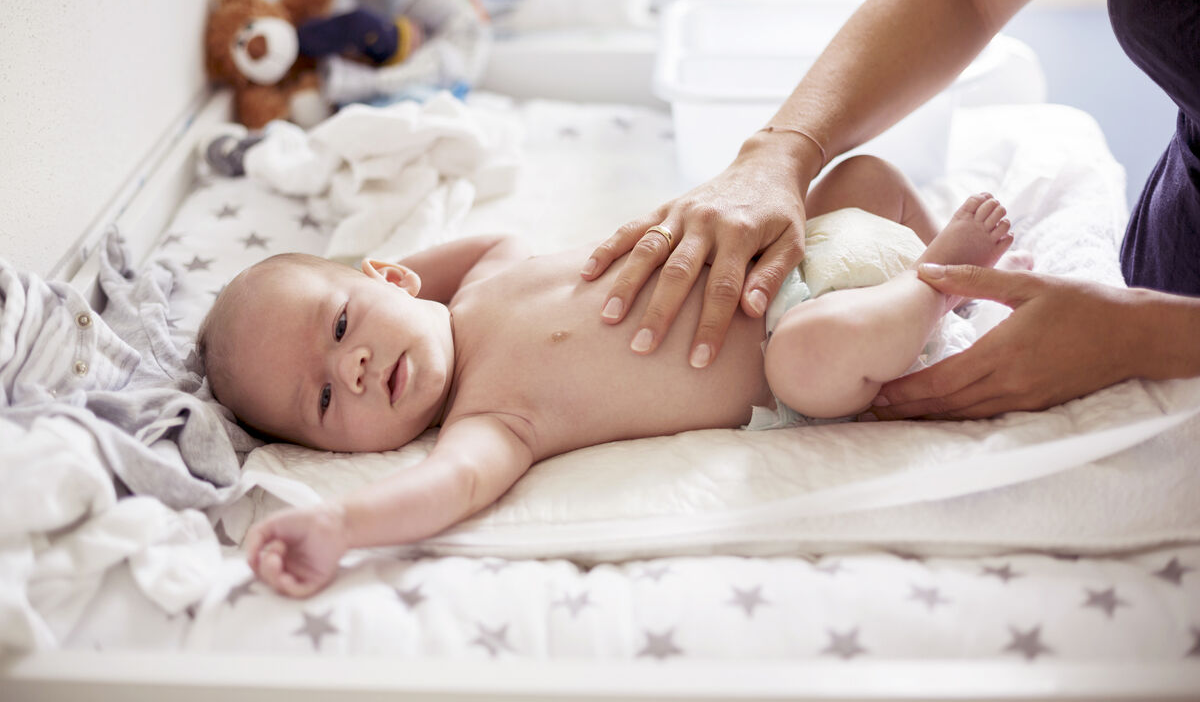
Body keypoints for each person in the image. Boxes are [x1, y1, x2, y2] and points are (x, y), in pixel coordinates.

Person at [199, 156, 1013, 597]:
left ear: (392, 278)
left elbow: (456, 252)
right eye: (325, 398)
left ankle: (930, 247)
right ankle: (940, 282)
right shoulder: (491, 419)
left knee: (858, 176)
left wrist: (389, 282)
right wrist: (341, 529)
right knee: (809, 365)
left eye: (341, 324)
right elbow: (444, 490)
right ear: (332, 450)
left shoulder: (491, 270)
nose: (355, 364)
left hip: (793, 252)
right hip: (803, 337)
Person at [580, 0, 1200, 420]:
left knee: (805, 357)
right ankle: (944, 279)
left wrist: (1141, 334)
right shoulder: (486, 304)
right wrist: (777, 153)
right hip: (1168, 266)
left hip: (1149, 338)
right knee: (864, 178)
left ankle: (934, 282)